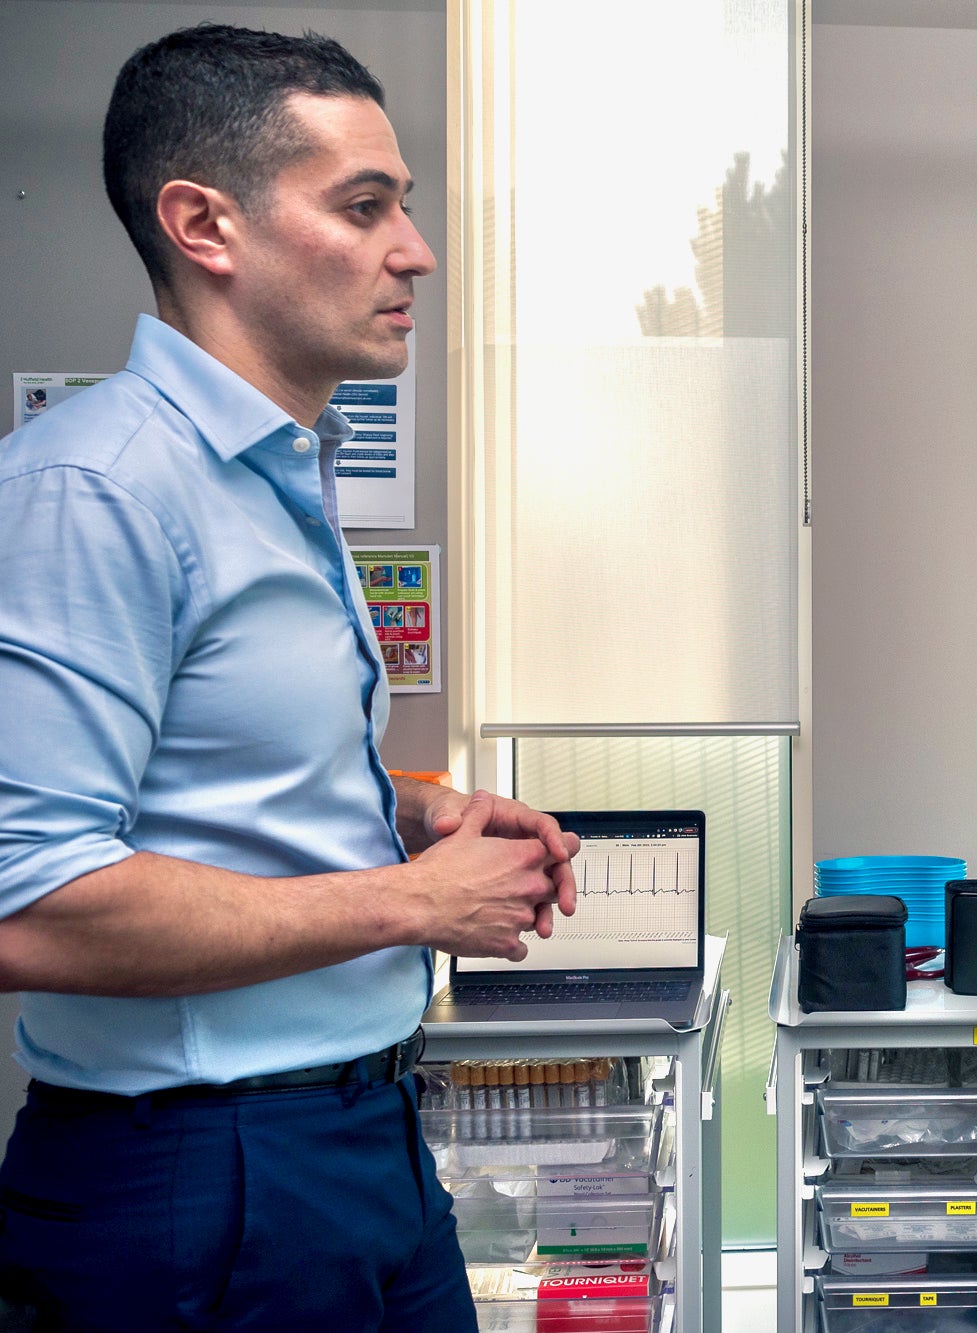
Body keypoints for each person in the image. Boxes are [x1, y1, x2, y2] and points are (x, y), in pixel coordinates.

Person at [0, 25, 580, 1330]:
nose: (413, 251)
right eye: (363, 207)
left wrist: (407, 809)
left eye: (406, 209)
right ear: (206, 225)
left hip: (358, 1137)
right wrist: (412, 899)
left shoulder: (273, 478)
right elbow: (25, 901)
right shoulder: (94, 490)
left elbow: (212, 779)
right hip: (204, 1180)